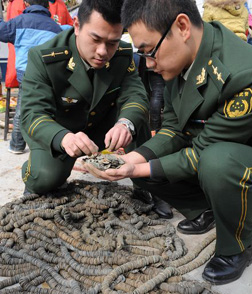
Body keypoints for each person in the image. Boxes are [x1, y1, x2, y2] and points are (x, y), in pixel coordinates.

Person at [87, 0, 252, 285]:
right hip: (216, 148)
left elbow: (201, 152)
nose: (148, 63)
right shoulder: (181, 57)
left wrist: (135, 170)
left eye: (149, 52)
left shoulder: (246, 74)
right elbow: (173, 130)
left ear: (182, 26)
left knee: (217, 163)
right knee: (140, 154)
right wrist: (130, 161)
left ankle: (237, 247)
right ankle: (206, 209)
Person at [20, 0, 172, 218]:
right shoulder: (44, 58)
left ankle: (148, 187)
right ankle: (34, 170)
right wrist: (63, 138)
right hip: (62, 132)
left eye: (112, 42)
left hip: (105, 128)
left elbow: (136, 95)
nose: (103, 51)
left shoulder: (122, 54)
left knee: (137, 120)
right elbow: (32, 113)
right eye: (96, 39)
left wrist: (125, 123)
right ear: (77, 26)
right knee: (45, 177)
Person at [0, 0, 63, 153]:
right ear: (47, 7)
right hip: (48, 75)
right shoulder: (55, 27)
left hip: (25, 74)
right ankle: (44, 146)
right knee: (47, 109)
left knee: (22, 109)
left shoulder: (18, 22)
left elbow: (2, 31)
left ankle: (17, 145)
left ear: (26, 4)